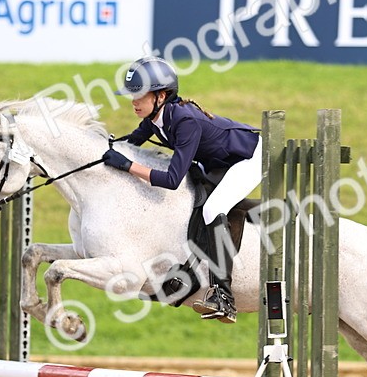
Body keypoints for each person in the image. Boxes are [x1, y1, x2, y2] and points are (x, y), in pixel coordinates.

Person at [103, 57, 262, 323]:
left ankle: (223, 296)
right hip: (218, 162)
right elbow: (130, 142)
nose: (133, 101)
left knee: (213, 208)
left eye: (139, 95)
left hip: (250, 158)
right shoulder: (155, 117)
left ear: (161, 95)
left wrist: (129, 166)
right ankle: (262, 212)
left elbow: (171, 180)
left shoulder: (185, 120)